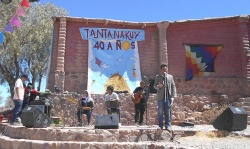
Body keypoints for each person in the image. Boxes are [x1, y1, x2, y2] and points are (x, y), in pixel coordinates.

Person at [154, 64, 177, 130]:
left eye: (166, 69)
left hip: (168, 97)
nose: (165, 71)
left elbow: (173, 86)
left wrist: (173, 96)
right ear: (161, 70)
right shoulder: (157, 77)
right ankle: (160, 125)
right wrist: (159, 87)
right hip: (161, 97)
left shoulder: (170, 77)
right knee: (160, 111)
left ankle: (168, 125)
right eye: (163, 69)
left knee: (168, 111)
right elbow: (154, 86)